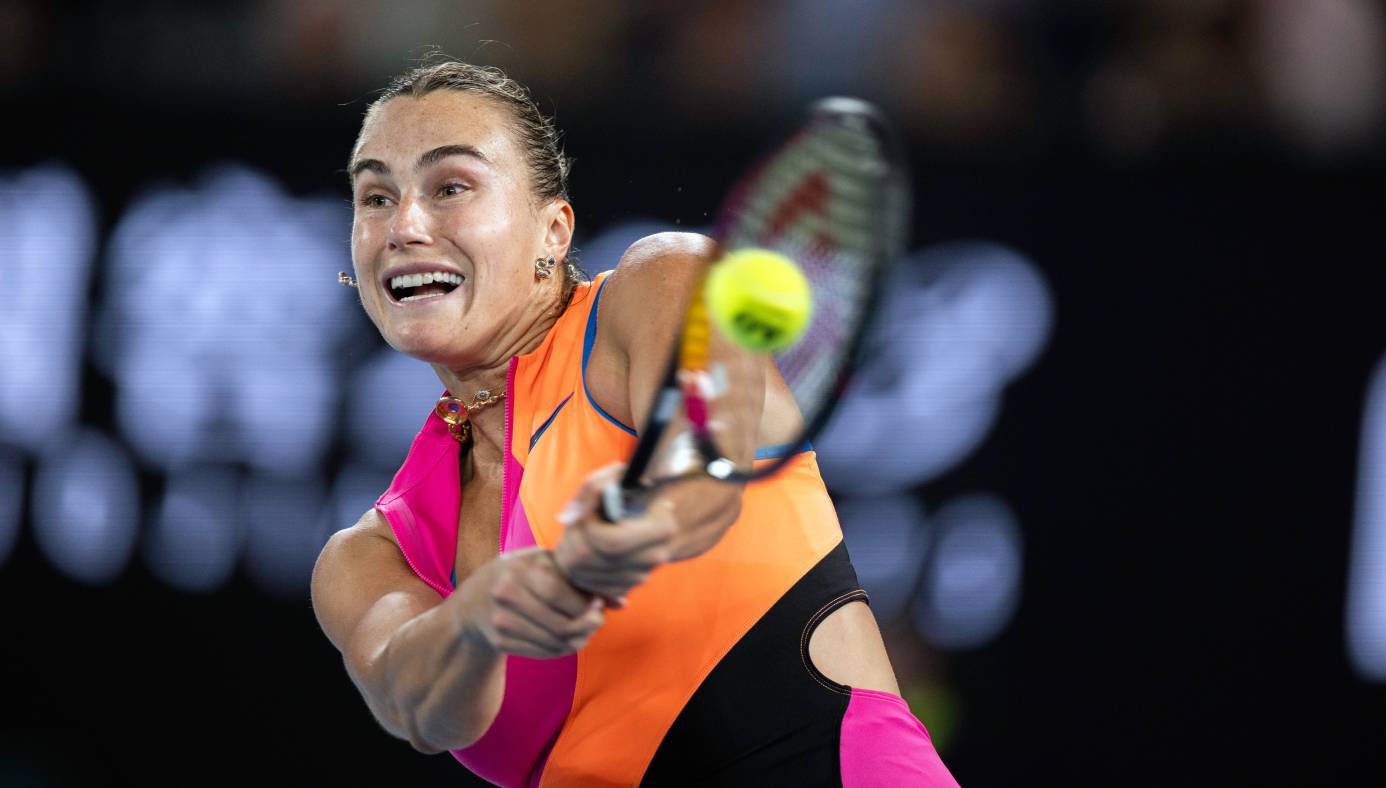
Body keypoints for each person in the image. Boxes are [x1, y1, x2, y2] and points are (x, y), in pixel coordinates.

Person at [310, 59, 958, 787]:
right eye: (375, 197)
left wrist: (632, 520)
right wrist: (479, 619)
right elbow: (414, 704)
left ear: (552, 231)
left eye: (451, 187)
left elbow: (705, 461)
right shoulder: (366, 556)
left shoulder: (663, 282)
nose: (404, 226)